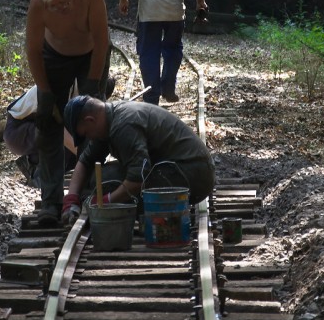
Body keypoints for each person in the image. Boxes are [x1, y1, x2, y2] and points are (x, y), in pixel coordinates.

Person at [26, 0, 111, 226]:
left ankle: (86, 195)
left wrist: (93, 86)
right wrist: (46, 92)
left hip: (91, 56)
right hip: (54, 57)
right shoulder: (38, 4)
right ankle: (51, 202)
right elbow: (33, 50)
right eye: (55, 6)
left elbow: (101, 40)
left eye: (65, 3)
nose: (61, 8)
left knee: (92, 123)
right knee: (48, 126)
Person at [60, 95, 215, 225]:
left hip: (193, 174)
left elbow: (136, 180)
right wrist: (71, 198)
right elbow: (85, 162)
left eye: (86, 133)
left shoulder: (123, 126)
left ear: (90, 120)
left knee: (106, 184)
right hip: (178, 169)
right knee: (98, 180)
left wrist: (103, 202)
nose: (89, 138)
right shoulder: (106, 121)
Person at [3, 78, 116, 186]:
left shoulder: (79, 90)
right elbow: (63, 132)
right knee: (68, 138)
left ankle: (35, 163)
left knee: (76, 141)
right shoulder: (64, 87)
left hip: (36, 126)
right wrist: (91, 157)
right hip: (16, 131)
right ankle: (40, 177)